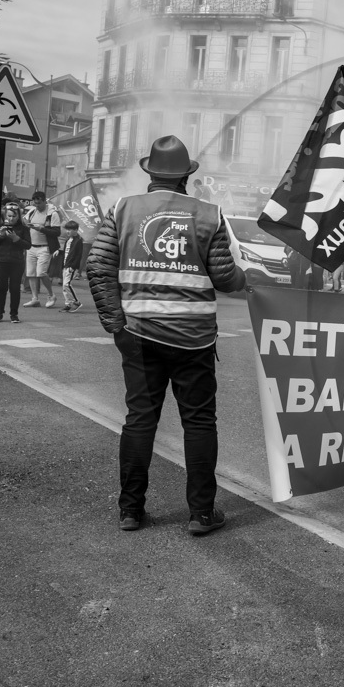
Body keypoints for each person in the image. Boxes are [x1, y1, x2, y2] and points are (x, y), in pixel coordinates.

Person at [86, 135, 246, 535]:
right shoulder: (209, 214)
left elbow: (98, 267)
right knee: (199, 423)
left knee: (140, 421)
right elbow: (226, 278)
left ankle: (130, 510)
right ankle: (201, 514)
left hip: (139, 335)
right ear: (187, 176)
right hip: (194, 339)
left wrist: (116, 325)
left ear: (151, 173)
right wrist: (250, 278)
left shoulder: (124, 209)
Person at [22, 190, 64, 309]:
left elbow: (57, 232)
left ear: (44, 201)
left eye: (39, 203)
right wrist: (25, 222)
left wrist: (41, 229)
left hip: (45, 247)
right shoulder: (32, 211)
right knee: (30, 274)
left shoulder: (52, 214)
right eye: (35, 203)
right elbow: (24, 220)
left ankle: (51, 295)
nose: (37, 206)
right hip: (31, 246)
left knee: (41, 273)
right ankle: (35, 298)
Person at [0, 200, 31, 324]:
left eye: (14, 216)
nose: (11, 218)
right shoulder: (0, 227)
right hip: (1, 261)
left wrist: (16, 239)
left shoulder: (24, 228)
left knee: (15, 288)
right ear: (5, 215)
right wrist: (0, 236)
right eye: (9, 216)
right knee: (1, 288)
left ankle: (14, 314)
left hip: (17, 262)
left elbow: (28, 245)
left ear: (18, 216)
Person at [56, 220, 84, 313]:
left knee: (67, 284)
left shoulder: (78, 241)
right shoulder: (69, 240)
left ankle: (76, 302)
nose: (68, 231)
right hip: (65, 265)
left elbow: (78, 255)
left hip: (71, 266)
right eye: (67, 229)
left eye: (70, 230)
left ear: (76, 230)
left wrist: (73, 266)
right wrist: (59, 251)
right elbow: (66, 252)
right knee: (64, 286)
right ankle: (68, 304)